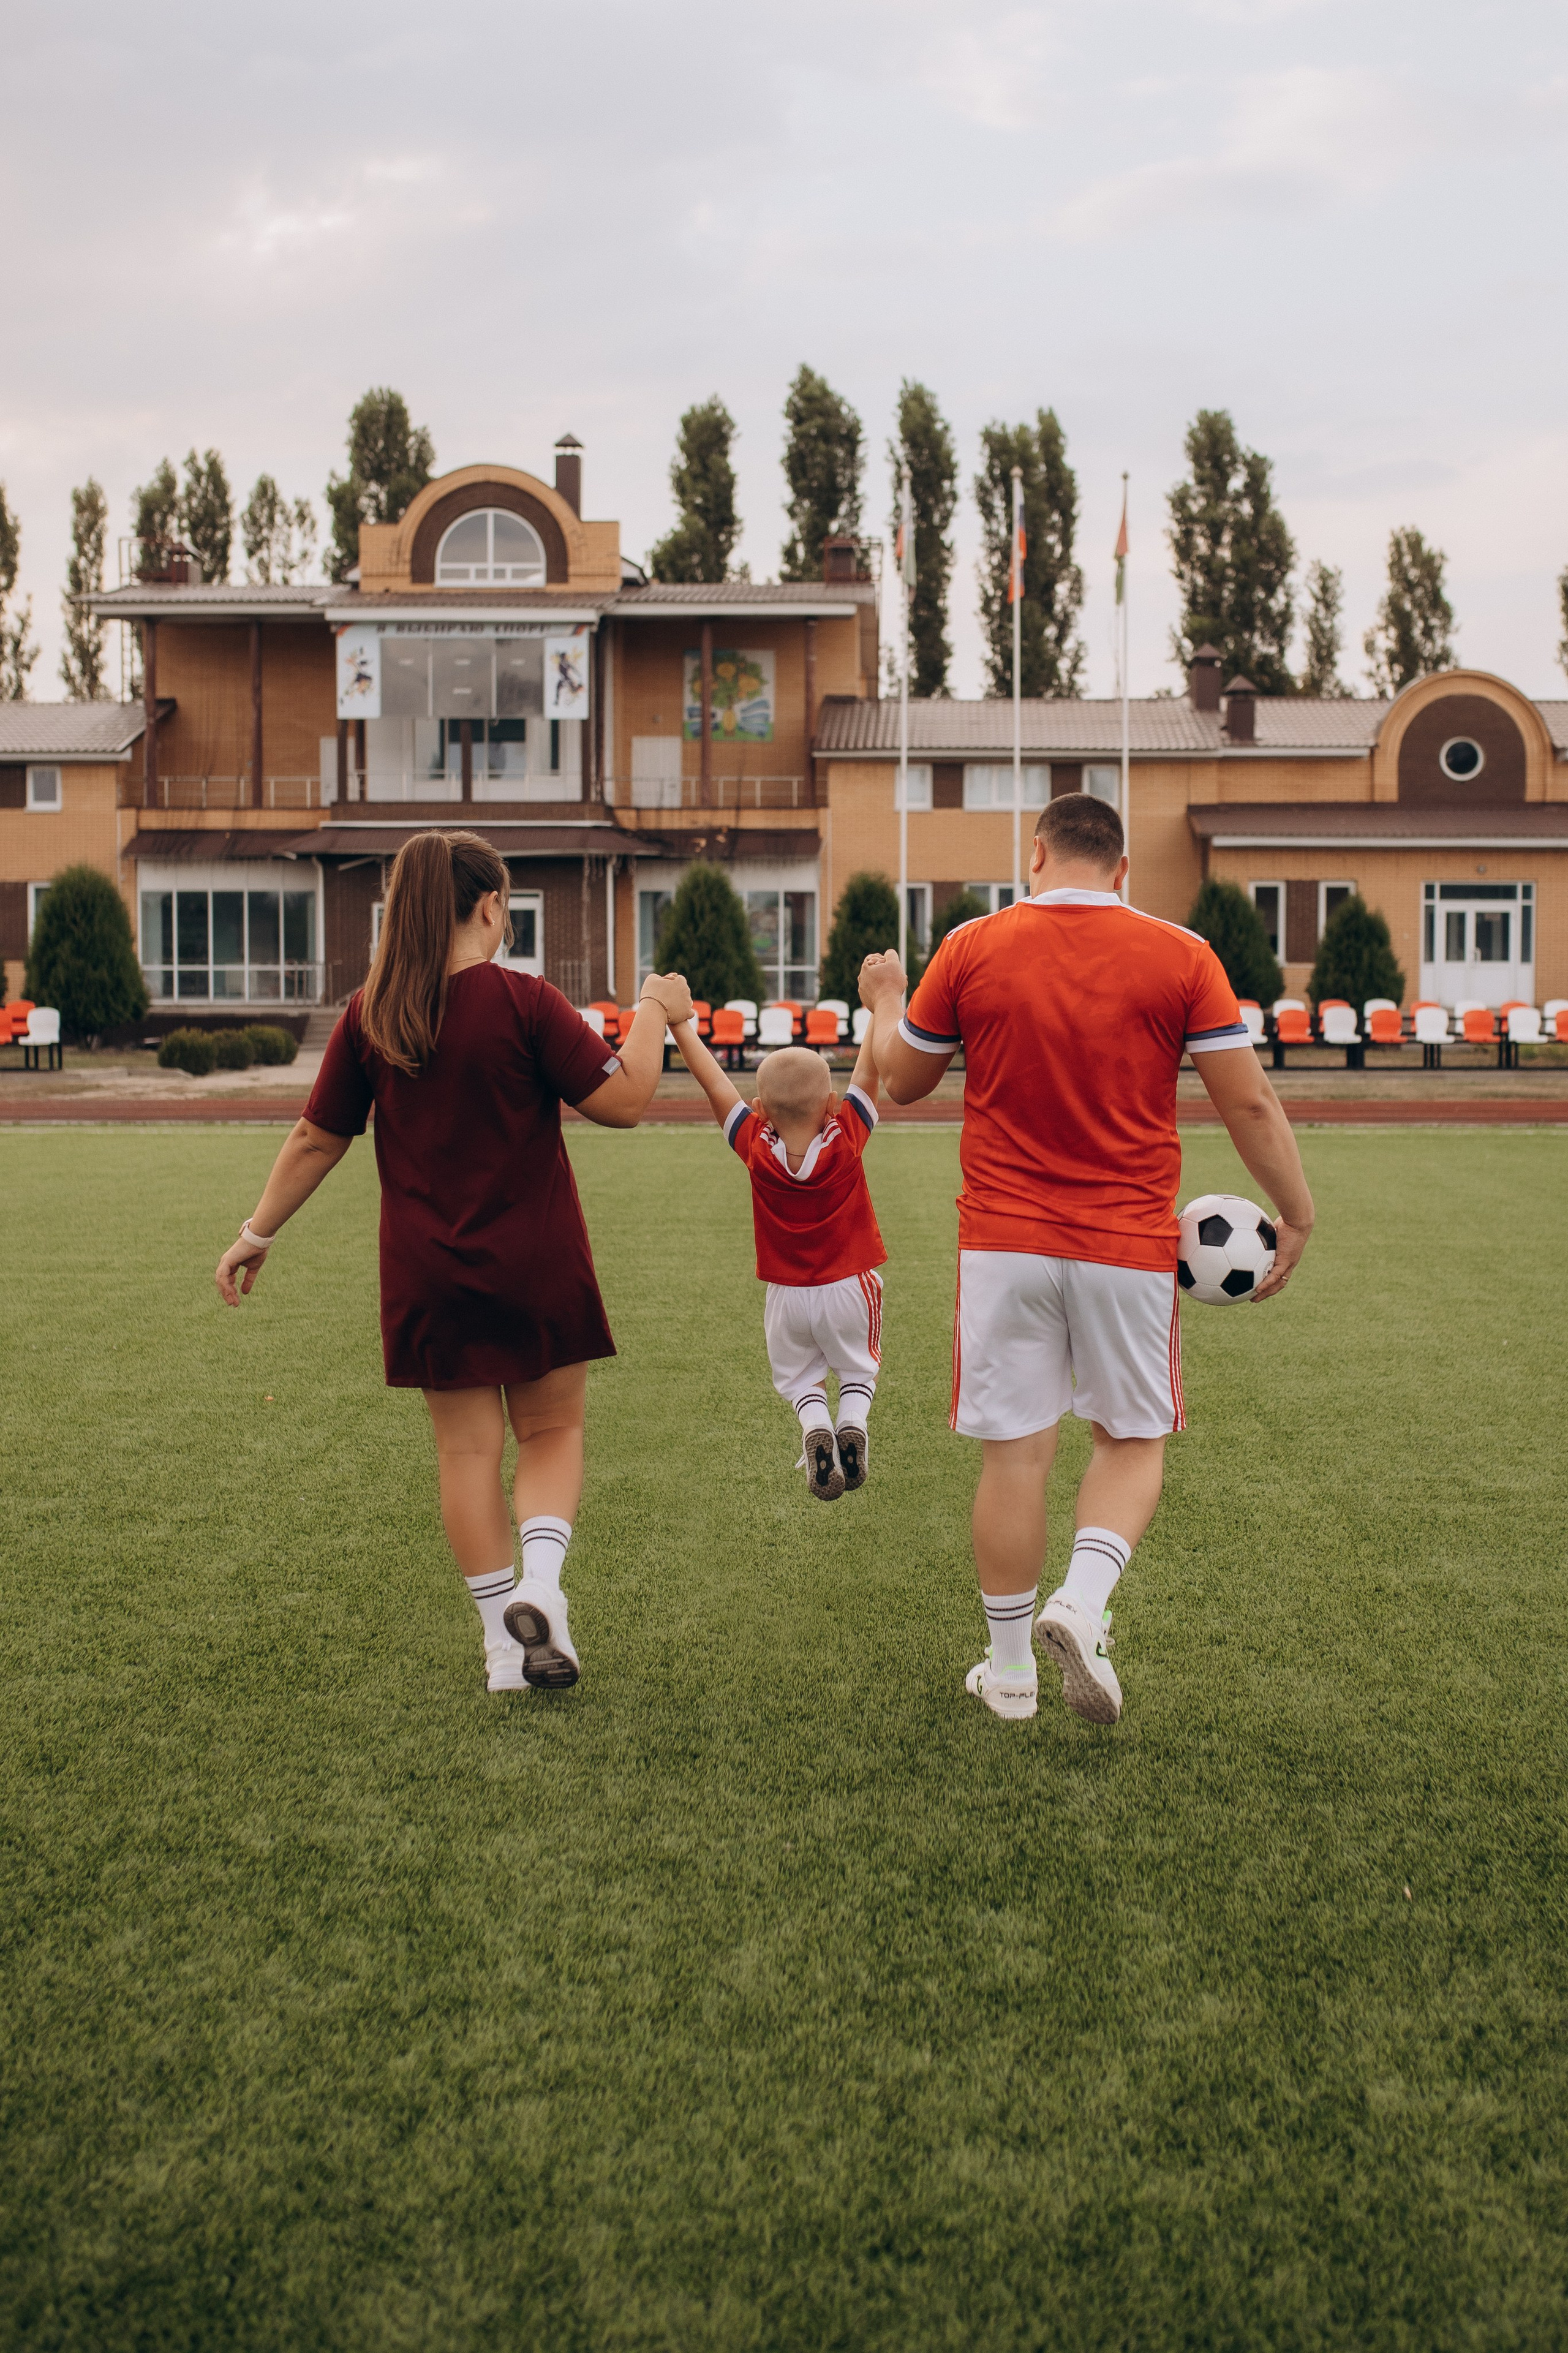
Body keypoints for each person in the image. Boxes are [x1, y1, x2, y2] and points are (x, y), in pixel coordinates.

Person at [858, 791, 1314, 1728]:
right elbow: (1252, 1105)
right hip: (1128, 1244)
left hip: (1004, 1243)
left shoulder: (972, 946)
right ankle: (1084, 1600)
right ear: (1123, 870)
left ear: (1036, 854)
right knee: (1132, 1439)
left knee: (1016, 1457)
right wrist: (1296, 1214)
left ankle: (1012, 1671)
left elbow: (899, 1084)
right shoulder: (1182, 954)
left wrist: (885, 1004)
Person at [214, 829, 692, 1696]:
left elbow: (316, 1138)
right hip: (538, 1263)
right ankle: (543, 1589)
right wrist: (655, 1010)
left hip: (430, 1274)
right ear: (487, 906)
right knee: (551, 1434)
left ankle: (502, 1649)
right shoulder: (524, 999)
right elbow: (624, 1101)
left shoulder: (371, 1012)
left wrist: (258, 1231)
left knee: (466, 1456)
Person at [670, 1015, 884, 1501]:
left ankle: (815, 1424)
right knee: (858, 1369)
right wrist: (874, 1009)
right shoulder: (846, 1137)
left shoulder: (755, 1147)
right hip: (848, 1286)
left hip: (786, 1296)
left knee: (801, 1376)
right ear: (832, 1105)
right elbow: (868, 1076)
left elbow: (716, 1083)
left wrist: (682, 1024)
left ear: (760, 1109)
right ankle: (851, 1421)